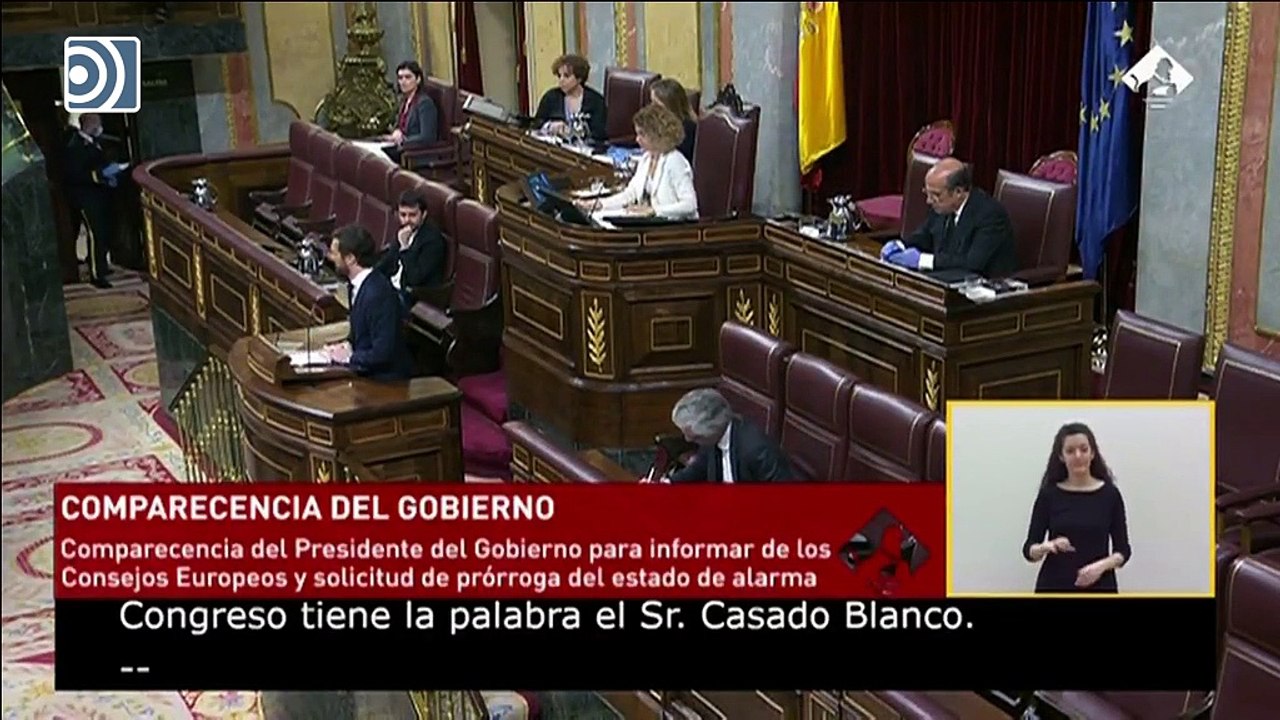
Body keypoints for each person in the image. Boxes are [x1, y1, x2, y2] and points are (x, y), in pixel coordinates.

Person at [1021, 422, 1132, 594]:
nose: (1078, 455)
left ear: (1092, 453)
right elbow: (1029, 549)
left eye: (1083, 449)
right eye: (1070, 451)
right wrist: (1047, 546)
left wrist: (1100, 567)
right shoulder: (1049, 495)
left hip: (1100, 586)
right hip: (1054, 586)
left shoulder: (1110, 495)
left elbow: (1123, 550)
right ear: (1061, 456)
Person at [879, 158, 1018, 278]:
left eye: (935, 195)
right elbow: (925, 234)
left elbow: (972, 263)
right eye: (927, 193)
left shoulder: (990, 215)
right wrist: (901, 245)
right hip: (943, 280)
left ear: (958, 192)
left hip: (980, 291)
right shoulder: (942, 205)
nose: (929, 200)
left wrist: (923, 260)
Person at [323, 225, 415, 381]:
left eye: (335, 253)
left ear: (351, 258)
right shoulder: (360, 285)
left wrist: (348, 358)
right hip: (366, 370)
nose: (331, 257)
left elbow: (383, 352)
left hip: (385, 381)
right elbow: (361, 335)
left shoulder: (378, 294)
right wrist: (346, 346)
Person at [577, 104, 698, 220]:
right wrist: (599, 204)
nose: (637, 139)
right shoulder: (646, 159)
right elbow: (630, 194)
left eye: (642, 134)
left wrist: (654, 210)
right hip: (648, 223)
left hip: (672, 227)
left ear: (657, 134)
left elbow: (690, 205)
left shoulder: (675, 161)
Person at [662, 388, 793, 483]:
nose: (687, 439)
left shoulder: (755, 450)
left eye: (695, 437)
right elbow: (700, 467)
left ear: (714, 428)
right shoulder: (713, 437)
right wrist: (668, 483)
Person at [64, 113, 127, 288]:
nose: (100, 128)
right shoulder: (74, 145)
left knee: (104, 233)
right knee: (95, 234)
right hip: (84, 197)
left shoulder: (95, 143)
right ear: (90, 124)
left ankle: (102, 266)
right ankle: (96, 274)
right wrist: (100, 175)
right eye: (98, 123)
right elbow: (75, 174)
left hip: (98, 195)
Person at [376, 189, 446, 308]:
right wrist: (369, 275)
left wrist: (405, 248)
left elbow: (415, 278)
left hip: (413, 296)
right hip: (392, 287)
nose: (406, 220)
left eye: (412, 215)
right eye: (403, 215)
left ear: (423, 215)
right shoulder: (404, 231)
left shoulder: (433, 240)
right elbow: (388, 261)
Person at [532, 54, 608, 143]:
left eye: (566, 76)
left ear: (579, 78)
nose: (561, 80)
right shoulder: (550, 98)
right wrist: (549, 126)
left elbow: (601, 134)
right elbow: (535, 125)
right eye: (559, 76)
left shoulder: (596, 101)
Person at [384, 61, 438, 164]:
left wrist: (402, 140)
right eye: (400, 78)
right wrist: (396, 132)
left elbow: (427, 137)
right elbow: (399, 125)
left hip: (415, 154)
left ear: (418, 79)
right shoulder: (404, 101)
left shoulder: (425, 103)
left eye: (408, 77)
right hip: (401, 148)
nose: (403, 82)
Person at [649, 78, 699, 162]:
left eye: (656, 104)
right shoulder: (662, 123)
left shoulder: (687, 129)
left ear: (670, 105)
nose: (651, 108)